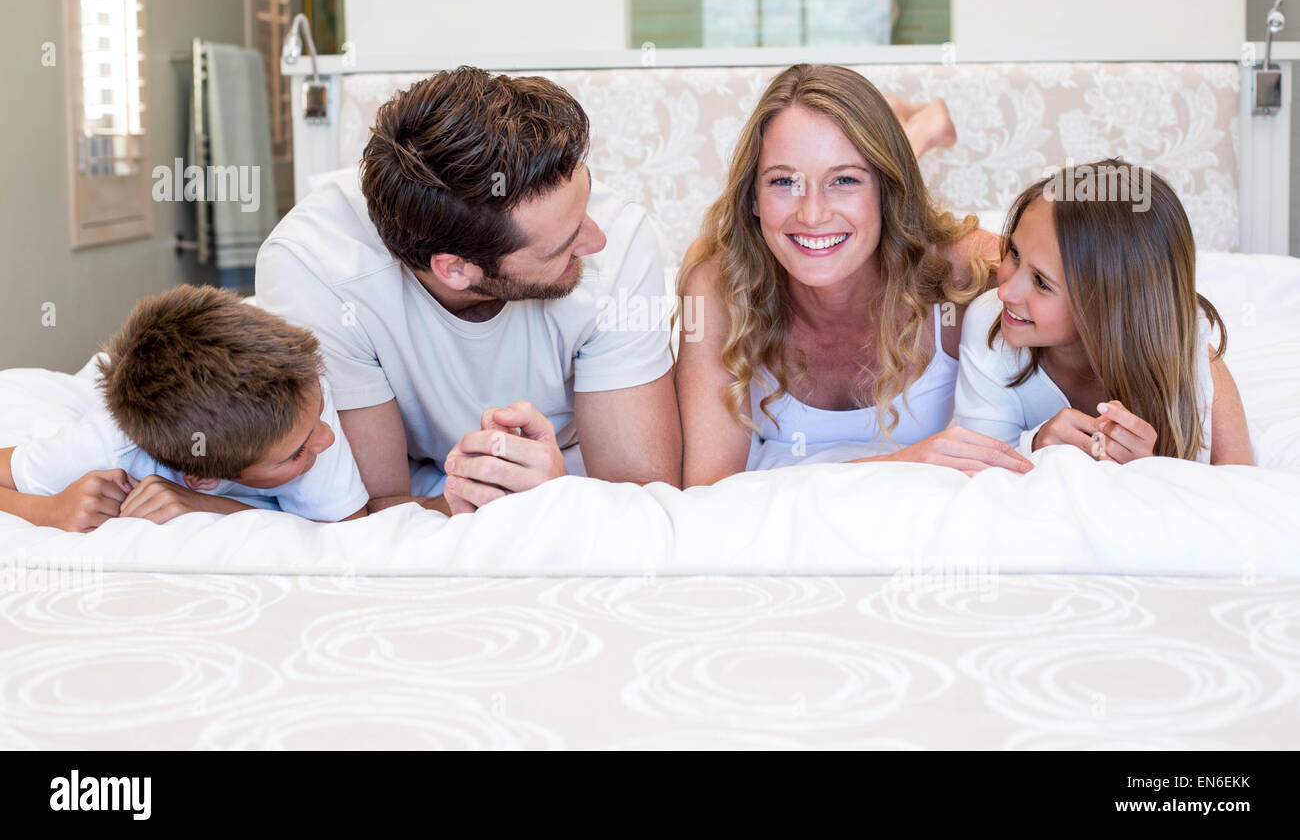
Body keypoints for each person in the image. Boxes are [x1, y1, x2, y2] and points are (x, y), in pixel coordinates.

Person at [255, 67, 681, 515]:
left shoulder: (624, 242)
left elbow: (641, 502)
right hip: (424, 484)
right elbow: (372, 508)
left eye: (586, 201)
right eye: (563, 244)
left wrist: (561, 497)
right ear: (456, 269)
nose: (596, 240)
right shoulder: (316, 269)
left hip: (572, 467)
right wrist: (470, 500)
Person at [675, 63, 1033, 484]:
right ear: (753, 197)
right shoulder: (717, 290)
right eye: (783, 182)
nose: (811, 214)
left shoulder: (964, 268)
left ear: (887, 192)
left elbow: (1087, 294)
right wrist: (899, 464)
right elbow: (707, 490)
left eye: (844, 179)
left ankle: (917, 131)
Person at [954, 160, 1254, 464]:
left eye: (1042, 283)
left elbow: (1235, 492)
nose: (1004, 291)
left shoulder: (1193, 365)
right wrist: (1036, 445)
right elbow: (980, 470)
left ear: (1110, 305)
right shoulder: (988, 324)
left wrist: (1150, 469)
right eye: (1015, 254)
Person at [0, 285, 368, 531]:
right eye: (296, 453)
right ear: (201, 477)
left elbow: (342, 528)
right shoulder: (103, 449)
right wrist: (47, 512)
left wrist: (206, 504)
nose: (328, 437)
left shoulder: (299, 386)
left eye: (320, 413)